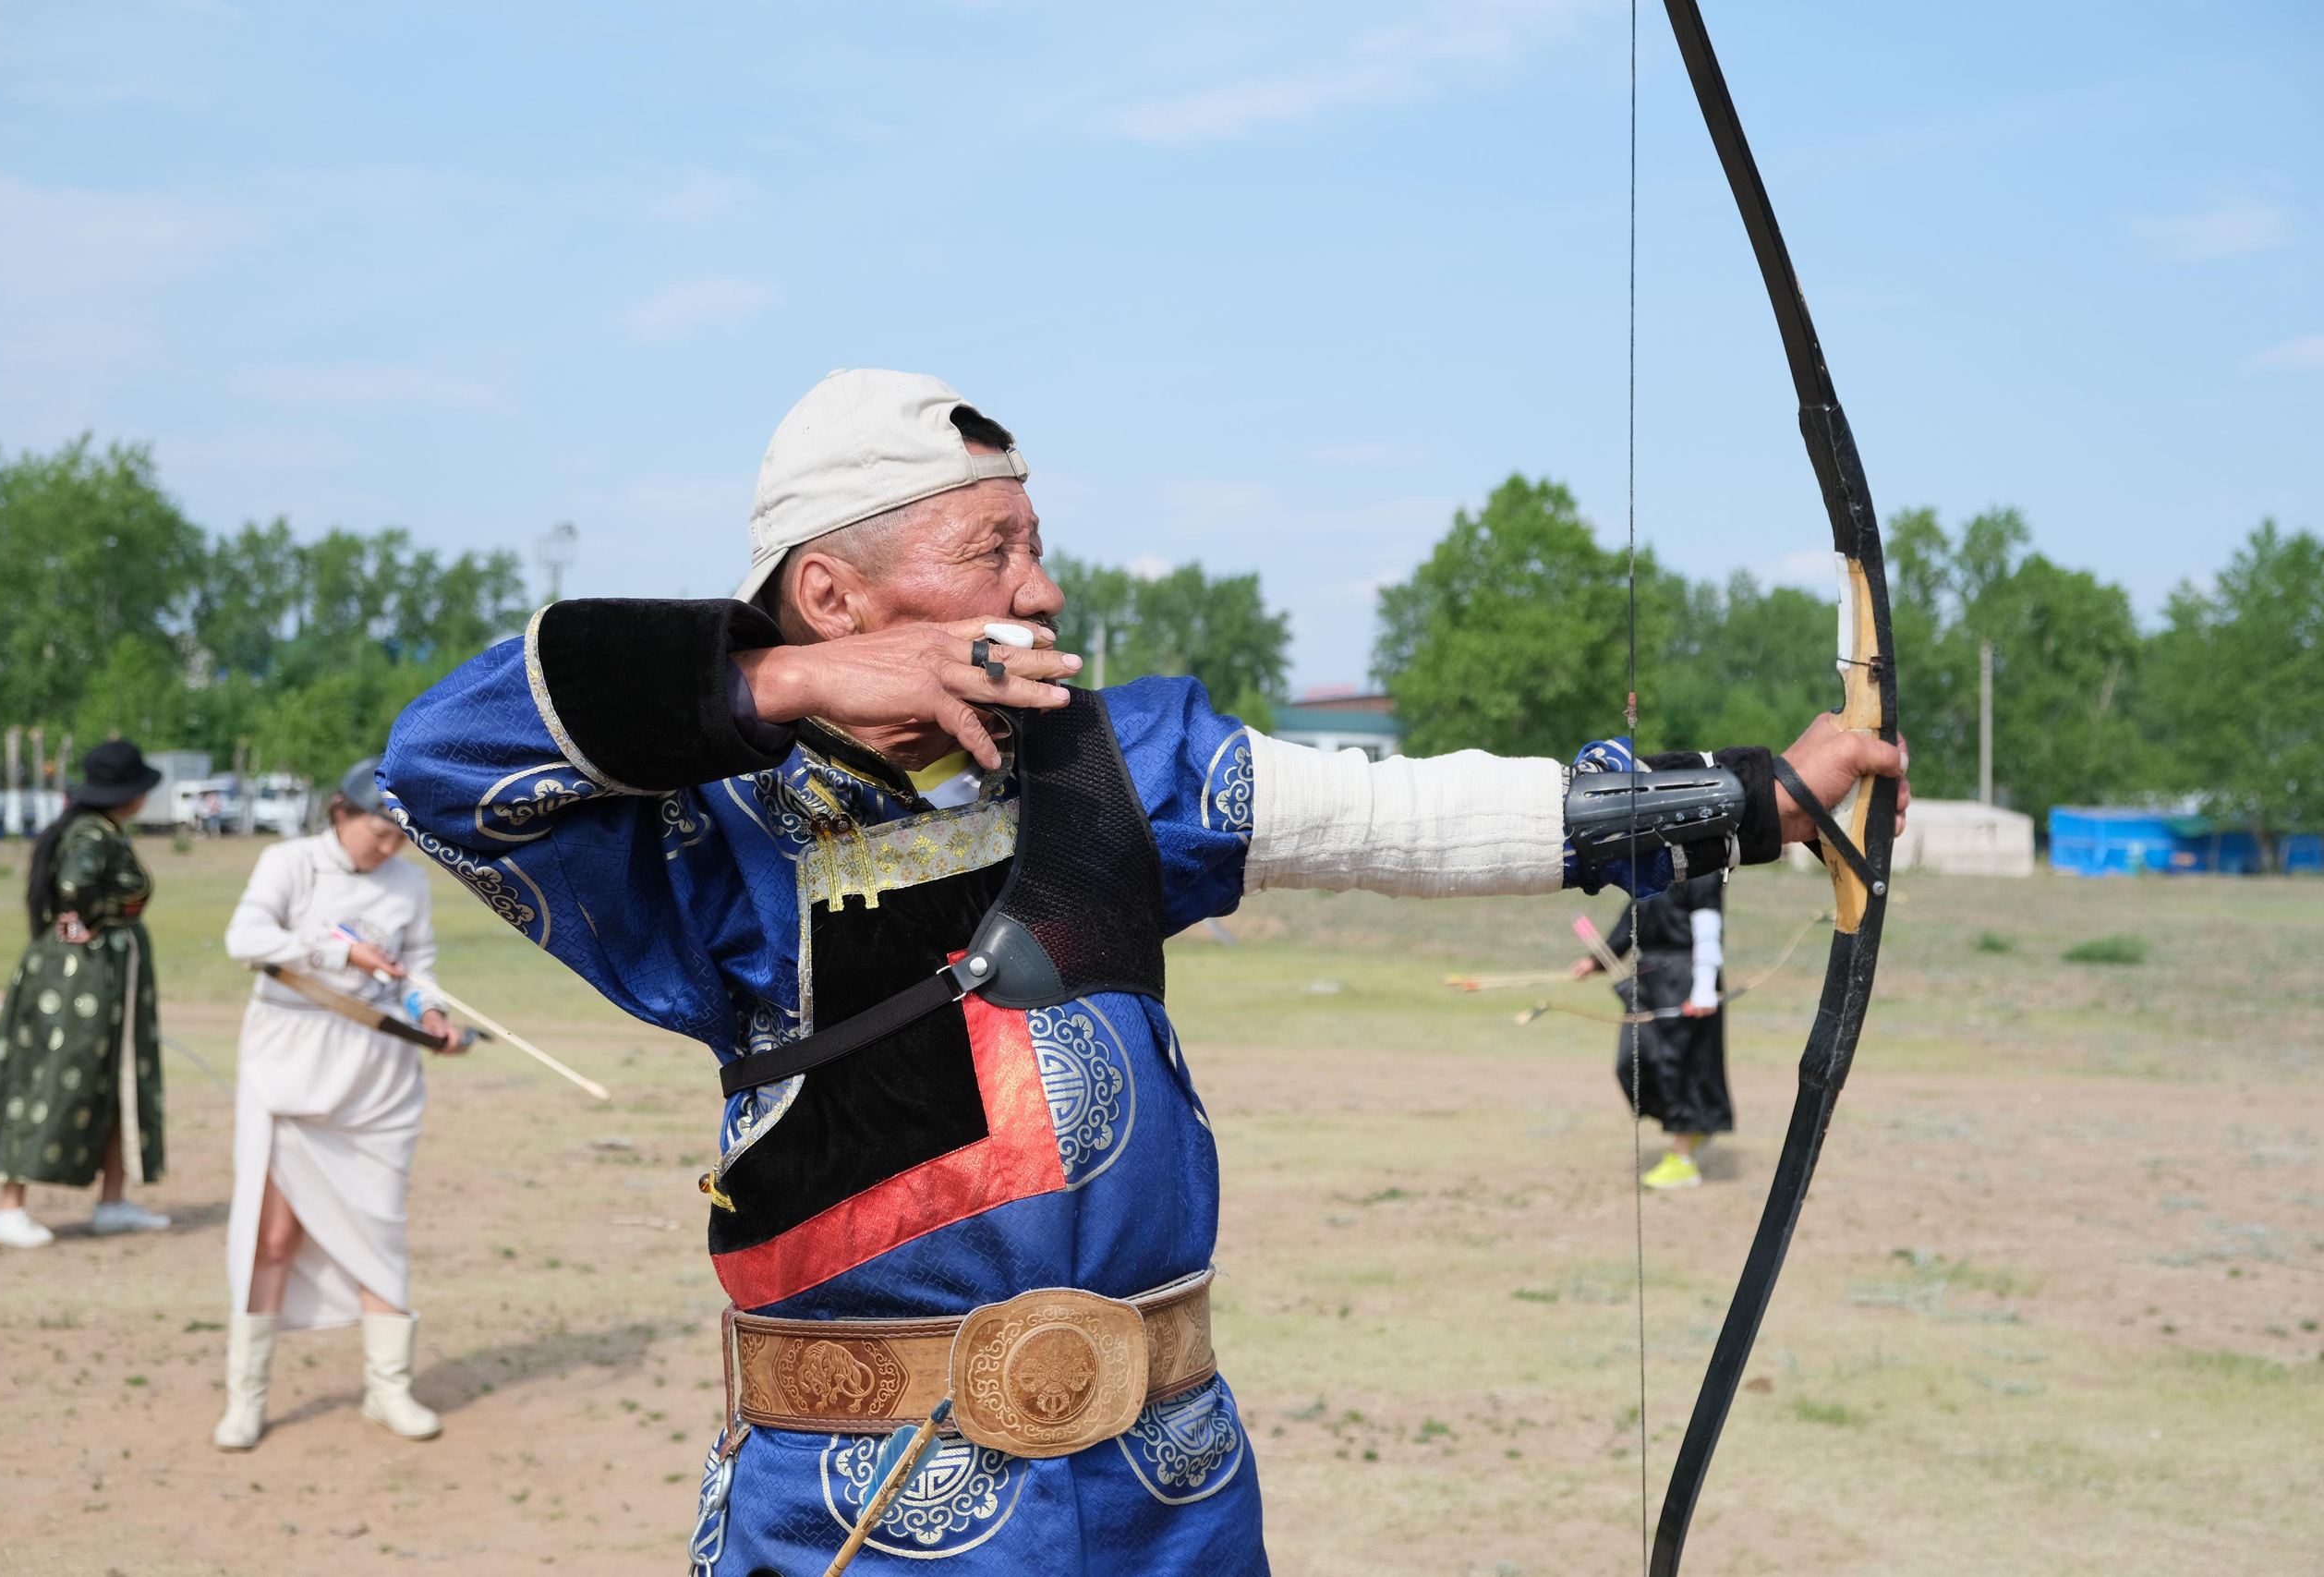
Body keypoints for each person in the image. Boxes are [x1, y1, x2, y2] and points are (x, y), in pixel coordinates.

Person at [379, 370, 1907, 1574]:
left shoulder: (1118, 761)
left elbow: (1404, 813)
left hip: (1168, 1499)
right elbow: (442, 761)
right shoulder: (715, 829)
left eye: (1037, 544)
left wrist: (1745, 800)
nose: (1041, 590)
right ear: (834, 594)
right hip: (865, 1514)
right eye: (993, 550)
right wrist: (775, 683)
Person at [212, 758, 464, 1452]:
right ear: (341, 814)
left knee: (376, 1231)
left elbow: (418, 970)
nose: (389, 847)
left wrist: (432, 1011)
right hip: (289, 1067)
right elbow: (246, 938)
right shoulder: (287, 861)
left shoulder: (409, 883)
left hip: (377, 1080)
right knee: (272, 1236)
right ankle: (246, 1397)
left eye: (399, 837)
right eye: (380, 832)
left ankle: (389, 1389)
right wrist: (341, 954)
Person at [0, 739, 171, 1247]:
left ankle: (112, 1201)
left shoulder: (100, 829)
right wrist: (92, 919)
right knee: (51, 1075)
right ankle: (9, 1206)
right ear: (131, 795)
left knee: (115, 1078)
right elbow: (73, 886)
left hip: (102, 972)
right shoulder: (90, 834)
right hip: (77, 977)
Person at [1572, 871, 1732, 1190]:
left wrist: (1702, 987)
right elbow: (1632, 921)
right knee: (1633, 1061)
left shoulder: (1703, 867)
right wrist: (1596, 961)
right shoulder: (1653, 869)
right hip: (1649, 979)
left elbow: (1708, 930)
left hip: (1685, 978)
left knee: (1678, 1067)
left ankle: (1682, 1159)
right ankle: (1693, 1124)